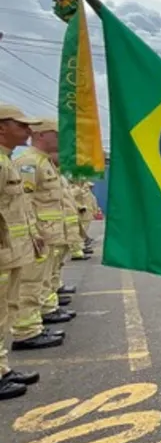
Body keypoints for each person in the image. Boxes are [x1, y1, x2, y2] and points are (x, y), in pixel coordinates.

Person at [11, 118, 72, 353]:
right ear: (41, 135)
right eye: (56, 134)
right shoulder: (28, 163)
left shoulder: (42, 162)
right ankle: (26, 332)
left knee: (42, 280)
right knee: (30, 283)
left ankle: (37, 321)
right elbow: (24, 201)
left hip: (49, 233)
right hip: (38, 235)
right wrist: (33, 232)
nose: (61, 139)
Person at [0, 103, 44, 401]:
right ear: (2, 126)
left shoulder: (7, 161)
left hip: (11, 251)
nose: (28, 130)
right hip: (4, 252)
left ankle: (1, 369)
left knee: (6, 310)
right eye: (21, 125)